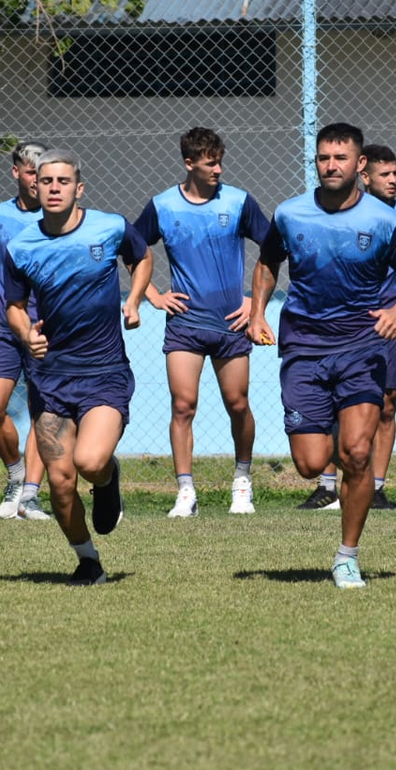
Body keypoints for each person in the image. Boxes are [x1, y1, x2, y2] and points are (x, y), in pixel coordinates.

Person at [247, 123, 396, 589]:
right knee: (311, 464)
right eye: (323, 158)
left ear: (359, 164)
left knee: (357, 454)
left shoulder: (383, 219)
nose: (330, 166)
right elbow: (268, 262)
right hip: (304, 346)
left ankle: (347, 557)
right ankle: (330, 421)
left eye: (340, 158)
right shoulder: (290, 214)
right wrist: (257, 312)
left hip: (362, 346)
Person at [3, 149, 152, 586]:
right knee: (61, 482)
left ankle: (107, 479)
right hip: (51, 378)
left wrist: (134, 299)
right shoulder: (21, 246)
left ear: (79, 188)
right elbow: (13, 306)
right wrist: (25, 333)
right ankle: (88, 560)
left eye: (63, 181)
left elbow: (142, 257)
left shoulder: (110, 227)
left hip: (104, 372)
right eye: (46, 181)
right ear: (35, 186)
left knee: (89, 461)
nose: (54, 188)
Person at [133, 127, 269, 517]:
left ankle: (242, 482)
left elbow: (273, 250)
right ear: (189, 163)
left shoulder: (239, 202)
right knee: (183, 406)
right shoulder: (163, 206)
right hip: (185, 325)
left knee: (238, 404)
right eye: (211, 164)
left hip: (231, 324)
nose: (218, 170)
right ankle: (185, 492)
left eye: (220, 162)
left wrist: (254, 303)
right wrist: (153, 295)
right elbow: (131, 251)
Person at [297, 144, 396, 512]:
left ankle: (375, 487)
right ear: (365, 176)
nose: (393, 180)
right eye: (385, 174)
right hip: (344, 324)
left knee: (387, 403)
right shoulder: (339, 215)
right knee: (331, 402)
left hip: (390, 326)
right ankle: (328, 486)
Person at [0, 140, 52, 521]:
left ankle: (31, 495)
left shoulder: (59, 217)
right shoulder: (1, 214)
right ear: (16, 173)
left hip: (44, 327)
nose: (37, 181)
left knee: (43, 411)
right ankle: (15, 474)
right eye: (30, 173)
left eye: (43, 174)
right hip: (2, 326)